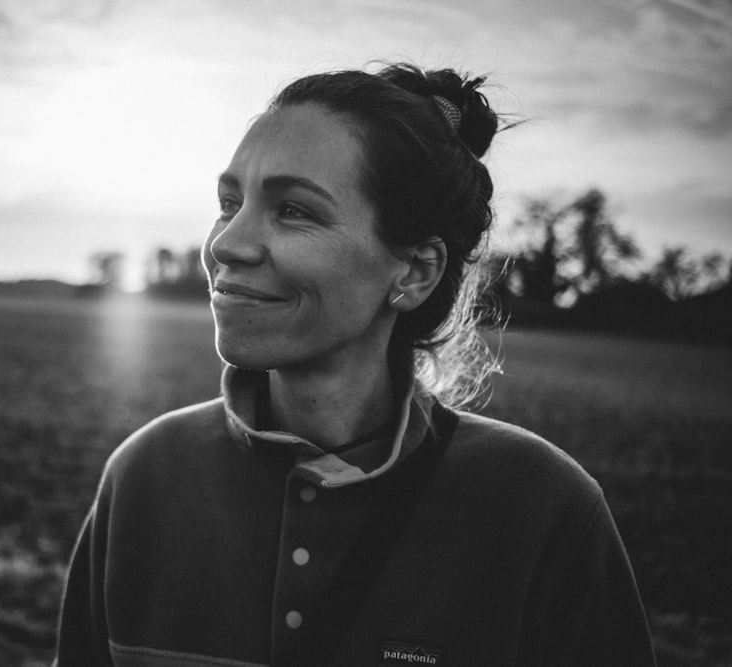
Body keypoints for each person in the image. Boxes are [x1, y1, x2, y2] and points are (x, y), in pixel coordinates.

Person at [55, 63, 656, 666]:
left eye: (293, 210)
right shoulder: (145, 476)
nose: (225, 244)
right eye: (229, 202)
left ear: (415, 271)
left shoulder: (542, 508)